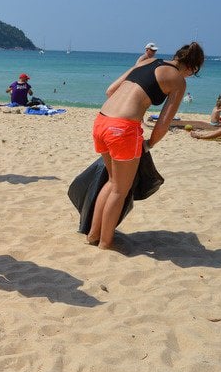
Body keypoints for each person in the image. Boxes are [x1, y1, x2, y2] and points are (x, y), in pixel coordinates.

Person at [87, 42, 204, 250]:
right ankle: (106, 243)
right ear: (192, 68)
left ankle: (93, 235)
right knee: (120, 190)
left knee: (113, 181)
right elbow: (164, 122)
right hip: (123, 129)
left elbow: (110, 91)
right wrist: (149, 144)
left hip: (101, 121)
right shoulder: (177, 79)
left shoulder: (147, 61)